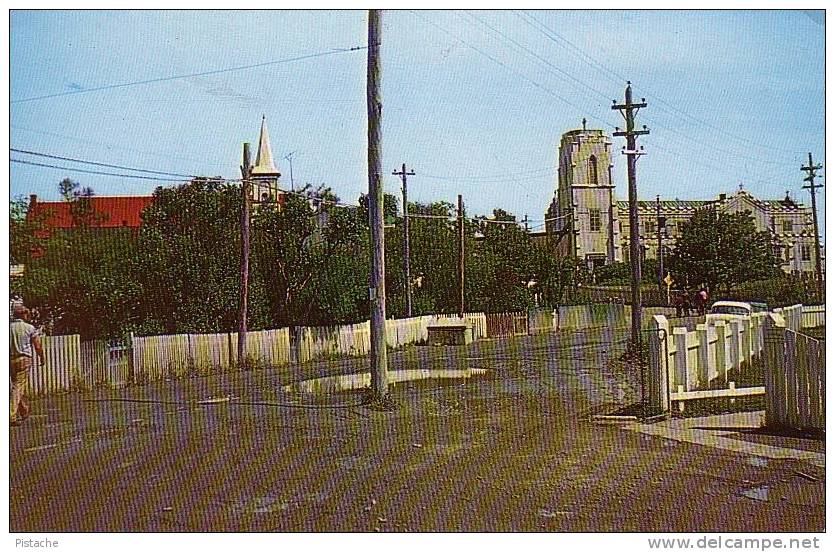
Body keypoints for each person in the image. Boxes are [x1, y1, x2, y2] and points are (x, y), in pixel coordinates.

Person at [10, 304, 44, 426]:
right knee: (18, 387)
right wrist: (42, 357)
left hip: (10, 359)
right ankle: (11, 415)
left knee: (15, 386)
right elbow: (37, 345)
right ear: (23, 314)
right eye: (26, 313)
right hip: (24, 359)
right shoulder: (29, 328)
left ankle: (23, 409)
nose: (27, 315)